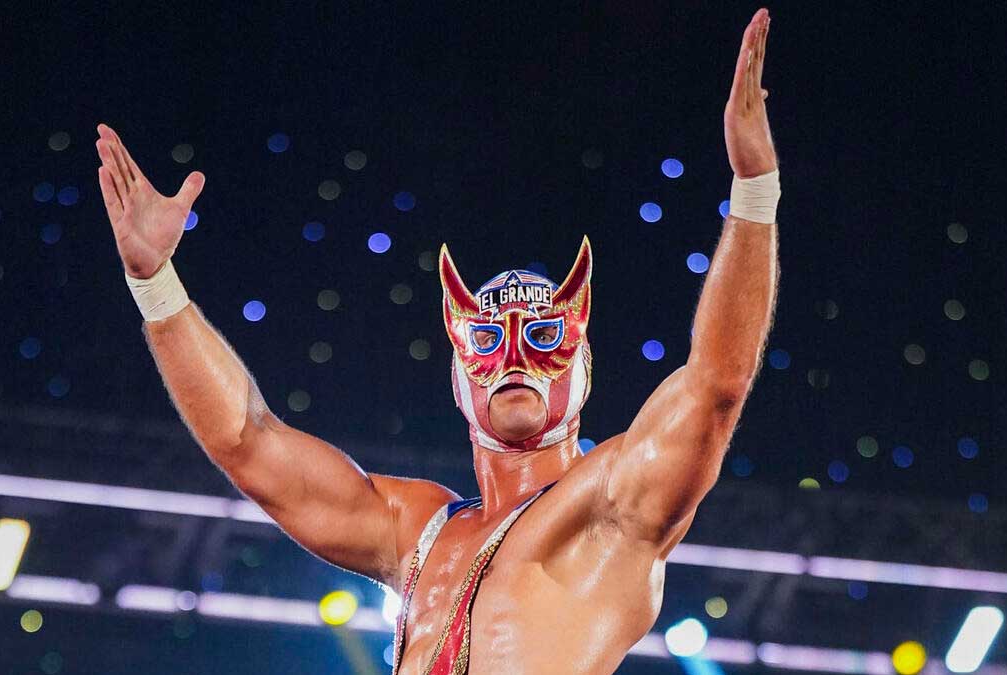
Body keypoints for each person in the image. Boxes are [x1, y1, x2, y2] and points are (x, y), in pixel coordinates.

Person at [95, 8, 779, 674]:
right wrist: (156, 284)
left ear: (583, 370)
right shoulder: (417, 529)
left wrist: (754, 189)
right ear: (458, 378)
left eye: (544, 335)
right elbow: (247, 441)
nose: (514, 357)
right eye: (489, 338)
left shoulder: (611, 503)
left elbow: (715, 383)